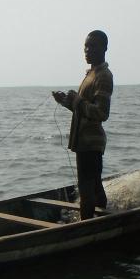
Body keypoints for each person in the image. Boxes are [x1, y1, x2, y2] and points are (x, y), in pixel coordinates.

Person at [52, 30, 114, 220]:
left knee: (86, 188)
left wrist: (77, 100)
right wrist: (66, 102)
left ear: (104, 48)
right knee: (95, 185)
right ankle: (103, 220)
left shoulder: (103, 76)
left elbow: (101, 113)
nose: (87, 50)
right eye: (86, 46)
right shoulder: (91, 74)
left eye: (92, 46)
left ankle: (86, 225)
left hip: (90, 143)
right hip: (84, 142)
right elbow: (83, 110)